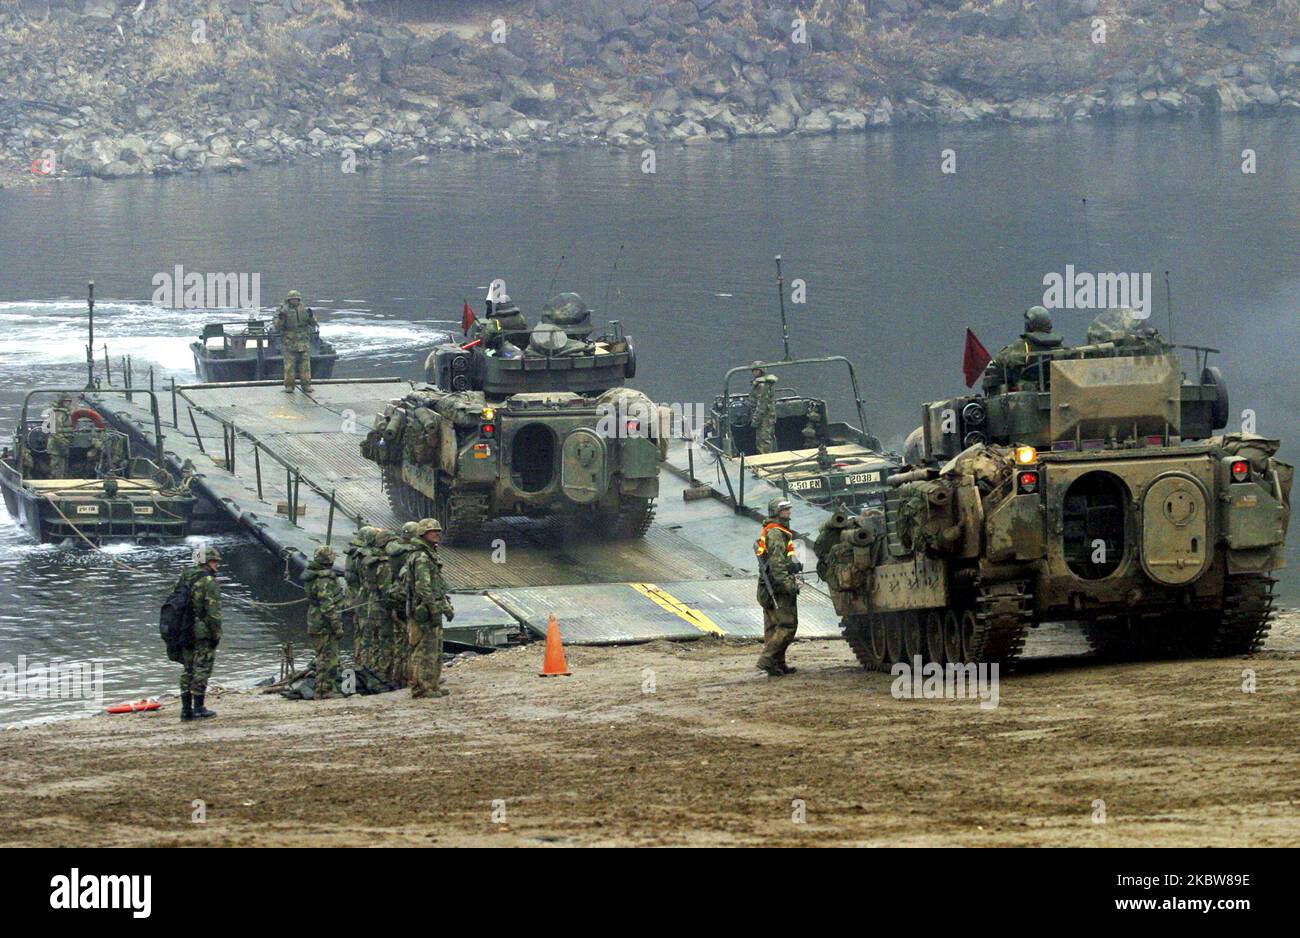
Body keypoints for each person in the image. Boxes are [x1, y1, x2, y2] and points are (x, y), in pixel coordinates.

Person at [400, 518, 454, 699]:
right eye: (433, 532)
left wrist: (445, 606)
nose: (437, 534)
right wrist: (435, 608)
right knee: (423, 649)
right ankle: (421, 688)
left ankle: (431, 684)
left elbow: (437, 584)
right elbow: (423, 587)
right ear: (423, 534)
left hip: (431, 607)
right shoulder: (421, 557)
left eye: (438, 531)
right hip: (423, 610)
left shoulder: (429, 554)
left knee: (434, 649)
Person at [755, 498, 801, 677]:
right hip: (777, 588)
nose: (789, 511)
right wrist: (789, 585)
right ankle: (766, 661)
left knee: (773, 628)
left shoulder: (775, 531)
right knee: (787, 626)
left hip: (770, 587)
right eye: (785, 509)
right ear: (777, 512)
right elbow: (777, 565)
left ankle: (778, 664)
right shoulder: (775, 533)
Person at [178, 544, 223, 720]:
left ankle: (185, 709)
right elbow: (214, 613)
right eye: (214, 561)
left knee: (187, 668)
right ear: (206, 562)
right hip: (202, 633)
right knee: (202, 667)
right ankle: (199, 707)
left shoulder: (185, 578)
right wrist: (216, 634)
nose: (217, 565)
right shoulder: (209, 582)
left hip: (184, 629)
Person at [983, 306, 1065, 392]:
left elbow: (995, 365)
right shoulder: (1060, 347)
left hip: (1027, 400)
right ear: (1049, 325)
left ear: (1028, 326)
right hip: (1057, 396)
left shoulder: (1022, 346)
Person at [304, 545, 345, 698]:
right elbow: (326, 606)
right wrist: (337, 625)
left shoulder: (313, 575)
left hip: (315, 620)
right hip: (324, 623)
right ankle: (324, 691)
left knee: (323, 655)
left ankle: (325, 688)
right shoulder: (323, 579)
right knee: (328, 658)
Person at [383, 521, 420, 686]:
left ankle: (397, 677)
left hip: (395, 594)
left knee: (399, 640)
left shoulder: (393, 549)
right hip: (406, 596)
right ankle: (410, 677)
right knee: (410, 641)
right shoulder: (410, 553)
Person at [275, 289, 318, 394]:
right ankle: (289, 386)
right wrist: (281, 319)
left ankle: (306, 385)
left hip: (303, 341)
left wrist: (311, 316)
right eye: (292, 299)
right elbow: (277, 326)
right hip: (290, 341)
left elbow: (314, 323)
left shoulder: (304, 309)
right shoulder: (283, 310)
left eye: (296, 299)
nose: (295, 301)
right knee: (289, 365)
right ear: (289, 300)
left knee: (305, 365)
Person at [748, 363, 777, 454]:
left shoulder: (762, 385)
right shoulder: (762, 384)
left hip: (764, 416)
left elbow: (762, 404)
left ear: (761, 371)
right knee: (766, 438)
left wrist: (755, 420)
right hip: (766, 416)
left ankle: (766, 460)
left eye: (756, 370)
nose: (754, 373)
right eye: (753, 370)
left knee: (764, 440)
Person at [45, 394, 74, 479]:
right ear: (61, 402)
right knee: (56, 468)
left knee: (63, 468)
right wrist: (64, 443)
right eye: (66, 401)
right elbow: (56, 432)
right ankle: (55, 482)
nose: (68, 403)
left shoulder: (65, 412)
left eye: (69, 402)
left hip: (63, 444)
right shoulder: (57, 414)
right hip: (56, 446)